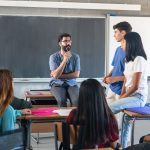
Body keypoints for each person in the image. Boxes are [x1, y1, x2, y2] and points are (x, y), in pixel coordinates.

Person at [110, 32, 148, 148]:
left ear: (130, 43)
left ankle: (110, 141)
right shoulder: (128, 60)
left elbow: (135, 86)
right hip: (129, 95)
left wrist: (123, 97)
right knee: (126, 122)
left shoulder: (139, 60)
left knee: (109, 109)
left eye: (123, 41)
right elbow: (126, 80)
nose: (121, 44)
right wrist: (122, 94)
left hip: (138, 97)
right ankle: (123, 146)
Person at [66, 79, 119, 149]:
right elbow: (113, 145)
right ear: (101, 95)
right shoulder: (109, 117)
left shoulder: (73, 114)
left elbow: (68, 135)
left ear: (81, 96)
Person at [103, 21, 132, 104]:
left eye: (116, 32)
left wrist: (114, 79)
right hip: (112, 88)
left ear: (123, 33)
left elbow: (132, 76)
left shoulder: (131, 52)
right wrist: (108, 76)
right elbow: (115, 66)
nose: (114, 35)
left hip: (122, 91)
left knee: (118, 117)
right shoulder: (118, 49)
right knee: (107, 114)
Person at [49, 33, 80, 107]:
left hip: (72, 84)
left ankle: (74, 118)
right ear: (60, 43)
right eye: (65, 41)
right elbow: (56, 76)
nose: (68, 43)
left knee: (77, 100)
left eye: (69, 41)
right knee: (61, 100)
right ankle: (63, 118)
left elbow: (76, 75)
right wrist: (64, 60)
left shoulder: (76, 57)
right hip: (57, 84)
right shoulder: (53, 57)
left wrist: (59, 75)